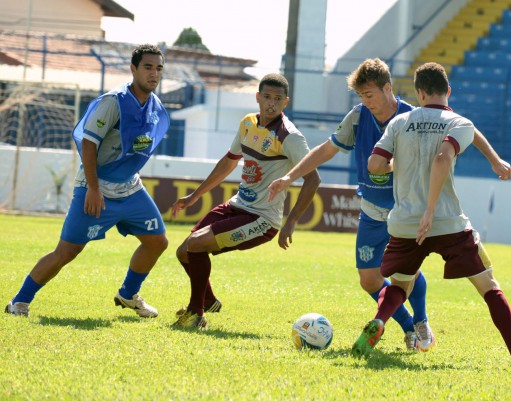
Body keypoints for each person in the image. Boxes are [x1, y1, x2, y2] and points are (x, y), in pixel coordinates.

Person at [268, 58, 511, 351]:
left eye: (369, 95)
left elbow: (463, 131)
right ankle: (410, 325)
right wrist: (290, 176)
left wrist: (493, 159)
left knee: (404, 274)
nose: (365, 101)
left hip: (404, 211)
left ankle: (418, 325)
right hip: (372, 210)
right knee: (370, 280)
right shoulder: (358, 117)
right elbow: (327, 149)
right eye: (361, 96)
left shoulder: (413, 116)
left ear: (388, 89)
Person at [351, 62, 511, 372]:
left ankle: (378, 320)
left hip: (403, 222)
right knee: (489, 285)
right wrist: (431, 208)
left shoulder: (399, 122)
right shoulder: (459, 122)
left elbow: (374, 164)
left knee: (400, 283)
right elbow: (443, 157)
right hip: (447, 221)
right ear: (448, 91)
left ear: (419, 92)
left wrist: (395, 166)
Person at [5, 44, 170, 318]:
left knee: (157, 241)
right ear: (133, 69)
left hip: (130, 187)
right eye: (148, 67)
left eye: (159, 68)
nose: (154, 73)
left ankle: (128, 295)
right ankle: (18, 302)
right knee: (67, 251)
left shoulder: (155, 106)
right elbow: (90, 144)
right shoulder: (113, 102)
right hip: (96, 188)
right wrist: (93, 189)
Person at [170, 73, 320, 330]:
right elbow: (229, 161)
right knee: (183, 251)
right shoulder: (247, 124)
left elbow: (313, 179)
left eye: (277, 99)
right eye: (266, 97)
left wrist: (291, 222)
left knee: (195, 245)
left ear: (286, 102)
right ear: (257, 98)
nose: (271, 103)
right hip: (238, 205)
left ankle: (196, 313)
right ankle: (209, 300)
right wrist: (195, 196)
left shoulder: (289, 137)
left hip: (262, 219)